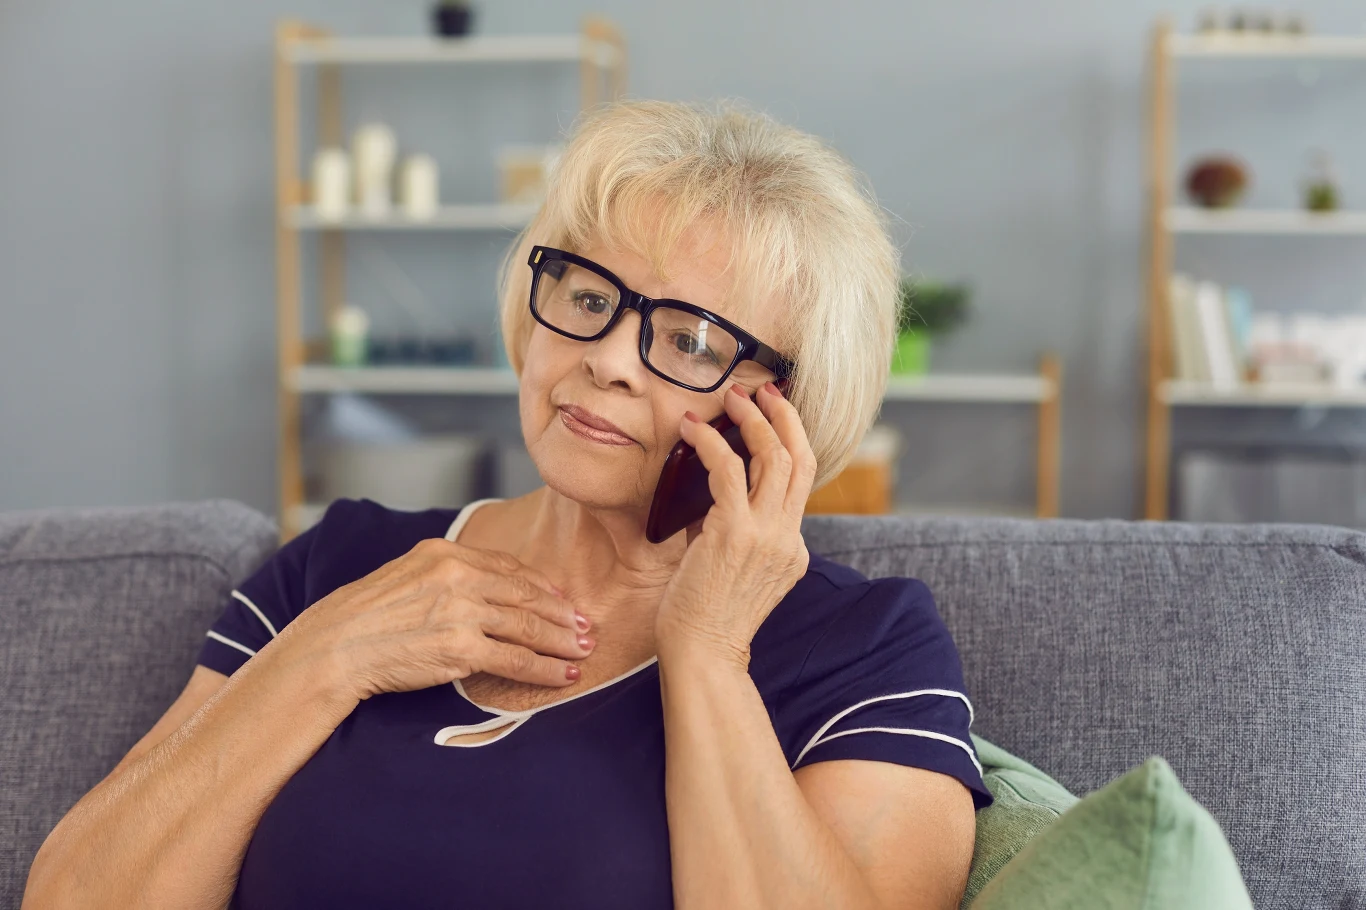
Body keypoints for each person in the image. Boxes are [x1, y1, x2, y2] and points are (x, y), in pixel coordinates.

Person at [26, 99, 992, 910]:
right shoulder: (340, 563)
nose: (606, 359)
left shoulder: (865, 646)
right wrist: (326, 658)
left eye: (691, 341)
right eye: (587, 294)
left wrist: (706, 653)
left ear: (787, 406)